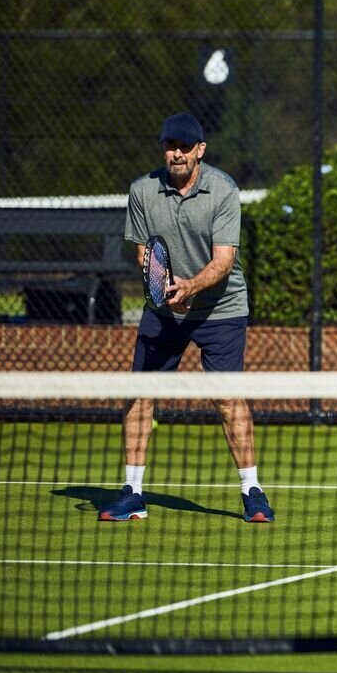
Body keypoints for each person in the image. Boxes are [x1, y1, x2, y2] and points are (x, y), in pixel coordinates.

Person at [99, 112, 273, 523]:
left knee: (227, 398)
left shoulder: (224, 190)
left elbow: (224, 261)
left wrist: (189, 286)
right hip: (163, 310)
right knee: (140, 394)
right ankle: (132, 493)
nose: (175, 153)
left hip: (221, 308)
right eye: (169, 145)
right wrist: (162, 285)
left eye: (183, 146)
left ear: (200, 150)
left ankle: (253, 491)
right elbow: (143, 252)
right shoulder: (142, 190)